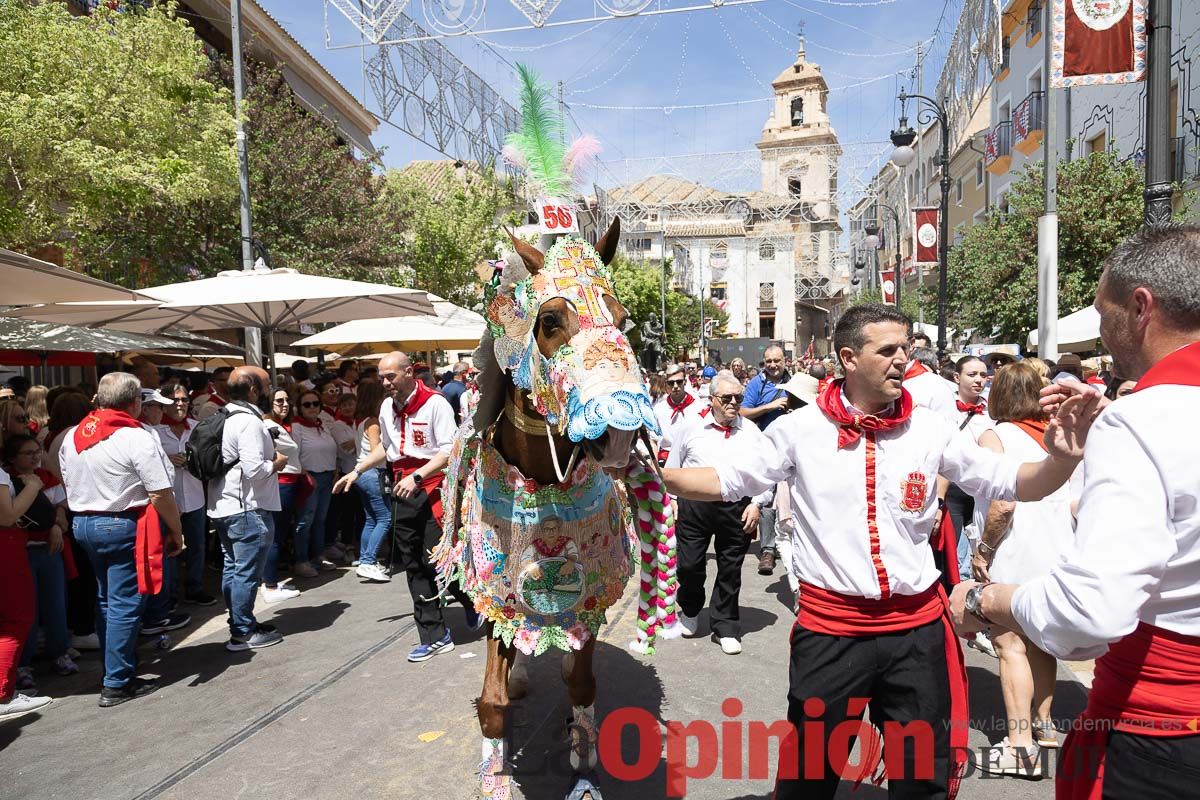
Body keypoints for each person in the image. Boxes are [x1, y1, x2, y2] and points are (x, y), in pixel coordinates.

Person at [665, 303, 1096, 799]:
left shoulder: (930, 429)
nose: (901, 360)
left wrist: (1062, 459)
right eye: (887, 350)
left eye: (905, 349)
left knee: (921, 778)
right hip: (831, 632)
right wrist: (653, 478)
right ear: (848, 358)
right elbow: (725, 480)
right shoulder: (797, 431)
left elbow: (1013, 481)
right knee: (808, 778)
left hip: (914, 631)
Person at [950, 224, 1200, 799]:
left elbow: (1090, 616)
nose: (1101, 331)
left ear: (1141, 307)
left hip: (1160, 729)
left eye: (1101, 311)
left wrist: (989, 600)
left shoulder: (1141, 422)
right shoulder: (1140, 416)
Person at [964, 362, 1077, 774]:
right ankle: (1044, 724)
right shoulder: (1057, 437)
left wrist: (984, 550)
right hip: (1057, 548)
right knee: (1041, 640)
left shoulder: (995, 435)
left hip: (1014, 550)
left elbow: (1002, 503)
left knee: (1009, 644)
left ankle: (1019, 743)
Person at [333, 351, 480, 663]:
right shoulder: (387, 406)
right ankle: (434, 635)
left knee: (440, 558)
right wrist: (356, 471)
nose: (386, 383)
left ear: (410, 372)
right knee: (413, 564)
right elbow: (386, 448)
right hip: (402, 488)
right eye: (382, 378)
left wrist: (417, 476)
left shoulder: (435, 402)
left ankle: (471, 601)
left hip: (432, 487)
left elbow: (448, 451)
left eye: (391, 376)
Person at [58, 372, 183, 706]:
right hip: (121, 523)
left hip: (84, 523)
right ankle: (116, 681)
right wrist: (176, 530)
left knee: (106, 599)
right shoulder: (136, 436)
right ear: (135, 402)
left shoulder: (73, 436)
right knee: (125, 603)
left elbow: (66, 480)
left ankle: (113, 669)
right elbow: (160, 492)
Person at [668, 371, 770, 655]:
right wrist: (673, 499)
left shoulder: (751, 432)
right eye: (727, 397)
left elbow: (766, 472)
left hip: (736, 507)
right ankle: (689, 610)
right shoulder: (691, 427)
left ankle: (725, 625)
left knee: (730, 569)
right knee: (688, 566)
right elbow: (674, 465)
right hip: (695, 506)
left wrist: (757, 503)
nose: (734, 402)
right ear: (712, 399)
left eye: (739, 397)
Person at [206, 367, 288, 652]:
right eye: (266, 385)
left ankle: (241, 622)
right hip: (246, 508)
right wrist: (277, 463)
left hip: (225, 505)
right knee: (245, 572)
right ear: (253, 390)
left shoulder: (224, 414)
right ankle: (242, 631)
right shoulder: (248, 422)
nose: (269, 390)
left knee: (234, 569)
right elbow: (255, 470)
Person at [5, 435, 77, 687]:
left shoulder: (47, 478)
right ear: (13, 458)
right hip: (23, 552)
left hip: (49, 549)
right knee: (28, 609)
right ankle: (23, 663)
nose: (35, 456)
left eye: (37, 451)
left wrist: (56, 525)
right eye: (27, 453)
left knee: (55, 603)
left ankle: (60, 652)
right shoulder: (9, 482)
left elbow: (59, 506)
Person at [0, 445, 53, 720]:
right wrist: (31, 486)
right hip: (5, 545)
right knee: (17, 619)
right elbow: (7, 516)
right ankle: (2, 694)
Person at [153, 385, 215, 607]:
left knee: (197, 545)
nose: (180, 403)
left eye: (184, 399)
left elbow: (209, 460)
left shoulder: (198, 428)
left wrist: (194, 463)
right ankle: (169, 595)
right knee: (170, 547)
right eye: (174, 399)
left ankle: (194, 587)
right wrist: (166, 460)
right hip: (168, 500)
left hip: (195, 496)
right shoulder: (155, 431)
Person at [137, 390, 192, 634]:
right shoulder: (143, 434)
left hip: (158, 507)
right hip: (151, 510)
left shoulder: (149, 432)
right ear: (144, 408)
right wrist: (175, 524)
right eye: (157, 407)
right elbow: (157, 486)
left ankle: (160, 610)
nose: (163, 411)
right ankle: (156, 615)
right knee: (157, 561)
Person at [740, 345, 791, 575]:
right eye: (768, 361)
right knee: (766, 498)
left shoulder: (795, 382)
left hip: (791, 445)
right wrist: (769, 407)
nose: (772, 365)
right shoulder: (755, 385)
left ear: (785, 360)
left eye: (776, 360)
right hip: (765, 445)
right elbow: (742, 412)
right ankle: (768, 550)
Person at [261, 388, 303, 600]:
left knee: (278, 533)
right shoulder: (268, 426)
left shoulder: (281, 425)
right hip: (281, 483)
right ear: (269, 403)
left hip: (289, 482)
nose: (285, 404)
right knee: (275, 535)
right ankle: (269, 586)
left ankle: (271, 582)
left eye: (287, 400)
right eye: (279, 401)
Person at [292, 388, 339, 572]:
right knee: (305, 520)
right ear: (300, 408)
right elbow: (293, 455)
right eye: (307, 404)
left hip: (327, 477)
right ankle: (301, 560)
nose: (312, 407)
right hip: (309, 479)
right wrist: (306, 475)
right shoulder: (297, 427)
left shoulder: (322, 425)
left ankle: (318, 556)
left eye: (315, 403)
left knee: (320, 519)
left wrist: (334, 469)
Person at [350, 382, 391, 582]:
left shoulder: (362, 420)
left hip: (362, 473)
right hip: (373, 473)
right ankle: (368, 561)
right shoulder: (373, 422)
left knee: (371, 519)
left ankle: (366, 558)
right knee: (385, 518)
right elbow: (378, 451)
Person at [652, 364, 701, 463]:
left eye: (679, 382)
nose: (675, 386)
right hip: (666, 459)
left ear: (685, 382)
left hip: (692, 459)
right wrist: (655, 465)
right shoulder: (659, 409)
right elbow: (653, 439)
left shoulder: (698, 407)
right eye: (671, 383)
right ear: (666, 384)